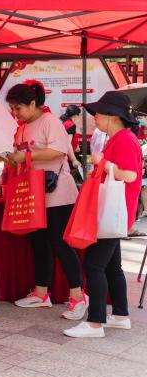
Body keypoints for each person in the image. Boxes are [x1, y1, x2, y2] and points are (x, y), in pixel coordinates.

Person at [4, 83, 86, 319]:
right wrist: (8, 157)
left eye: (18, 108)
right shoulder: (22, 128)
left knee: (60, 244)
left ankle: (78, 297)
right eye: (12, 108)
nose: (15, 113)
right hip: (34, 194)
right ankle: (41, 294)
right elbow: (21, 160)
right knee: (39, 243)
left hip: (57, 194)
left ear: (33, 103)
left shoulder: (50, 121)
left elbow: (59, 151)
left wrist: (27, 155)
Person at [64, 92, 142, 337]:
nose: (94, 118)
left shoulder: (124, 140)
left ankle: (95, 323)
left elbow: (130, 175)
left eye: (97, 114)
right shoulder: (120, 138)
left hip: (113, 212)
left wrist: (103, 163)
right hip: (115, 213)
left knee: (93, 265)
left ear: (112, 116)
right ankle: (120, 315)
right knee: (112, 267)